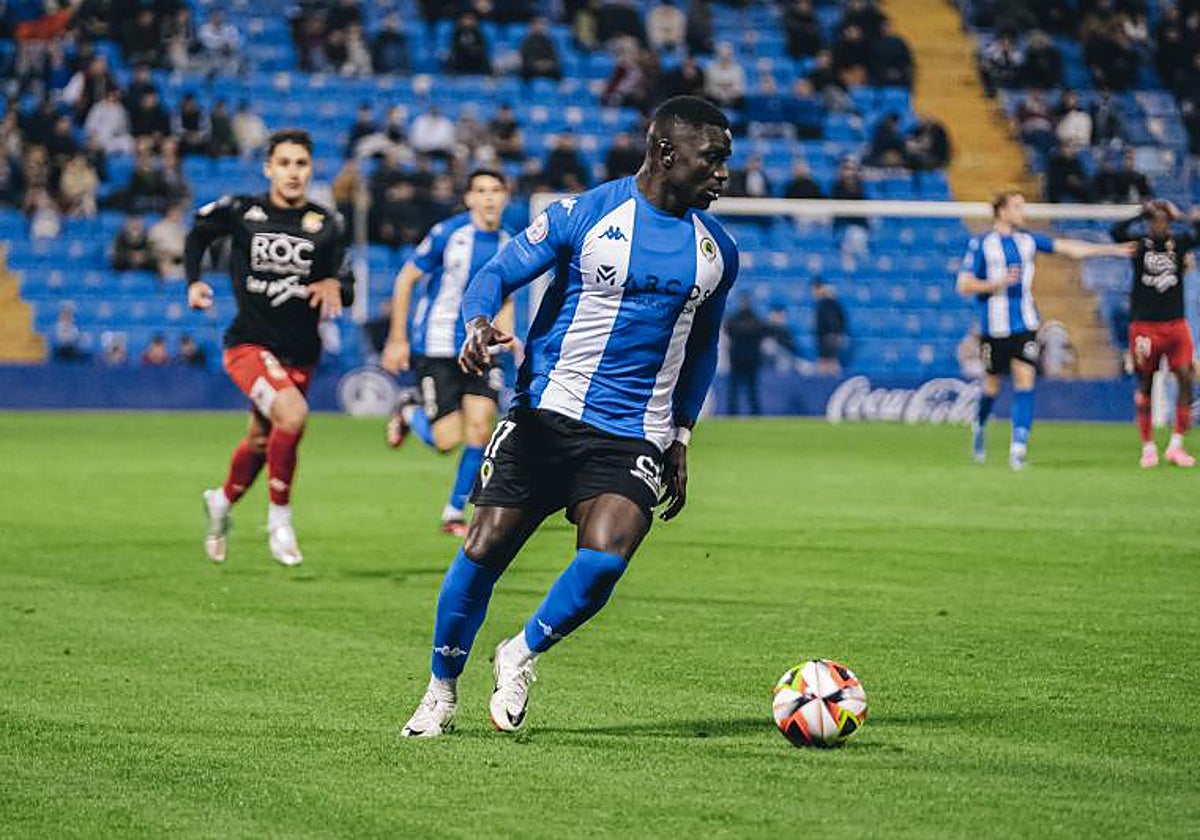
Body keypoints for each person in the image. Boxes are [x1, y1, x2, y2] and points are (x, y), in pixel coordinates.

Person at [399, 95, 738, 738]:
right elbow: (498, 274)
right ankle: (441, 691)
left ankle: (519, 652)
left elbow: (703, 348)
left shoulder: (716, 251)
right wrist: (477, 322)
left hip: (633, 432)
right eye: (713, 159)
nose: (723, 174)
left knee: (607, 558)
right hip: (544, 415)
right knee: (484, 548)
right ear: (666, 153)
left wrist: (682, 433)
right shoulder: (588, 213)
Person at [186, 129, 353, 566]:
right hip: (248, 344)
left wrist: (336, 283)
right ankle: (279, 519)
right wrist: (194, 280)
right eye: (284, 163)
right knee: (294, 414)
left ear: (311, 169)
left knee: (263, 439)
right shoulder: (244, 210)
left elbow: (346, 284)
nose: (293, 172)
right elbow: (197, 234)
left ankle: (221, 501)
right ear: (269, 168)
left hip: (301, 351)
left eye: (301, 164)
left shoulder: (328, 224)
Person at [381, 170, 516, 536]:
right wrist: (397, 338)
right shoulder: (448, 234)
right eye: (481, 191)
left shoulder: (510, 242)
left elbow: (505, 297)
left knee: (479, 429)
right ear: (469, 198)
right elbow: (406, 279)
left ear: (506, 197)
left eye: (496, 190)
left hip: (480, 350)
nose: (489, 198)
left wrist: (509, 340)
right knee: (446, 441)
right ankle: (410, 412)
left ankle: (453, 512)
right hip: (438, 345)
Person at [957, 190, 1133, 470]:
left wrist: (1111, 251)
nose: (1022, 212)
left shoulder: (1027, 241)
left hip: (1025, 325)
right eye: (1017, 207)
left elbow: (1068, 248)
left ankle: (1018, 448)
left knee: (1025, 380)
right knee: (991, 385)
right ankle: (979, 426)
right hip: (994, 328)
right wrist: (996, 283)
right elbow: (963, 285)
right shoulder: (982, 245)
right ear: (1002, 211)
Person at [1110, 201, 1200, 468]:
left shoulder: (1179, 243)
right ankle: (1148, 446)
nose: (1158, 225)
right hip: (1145, 327)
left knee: (1185, 378)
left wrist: (1180, 214)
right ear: (1149, 222)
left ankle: (1176, 445)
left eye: (1163, 220)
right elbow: (1115, 231)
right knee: (1145, 383)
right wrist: (1140, 211)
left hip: (1175, 325)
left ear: (1169, 222)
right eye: (1154, 220)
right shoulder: (1139, 245)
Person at [723, 292, 768, 414]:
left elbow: (729, 330)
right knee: (749, 388)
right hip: (749, 359)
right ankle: (754, 413)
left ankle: (733, 413)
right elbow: (763, 331)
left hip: (739, 358)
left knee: (739, 388)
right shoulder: (755, 320)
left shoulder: (734, 320)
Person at [813, 278, 847, 375]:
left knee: (829, 363)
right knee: (826, 363)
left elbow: (837, 320)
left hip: (829, 337)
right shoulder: (822, 304)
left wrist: (835, 334)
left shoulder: (829, 303)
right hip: (825, 337)